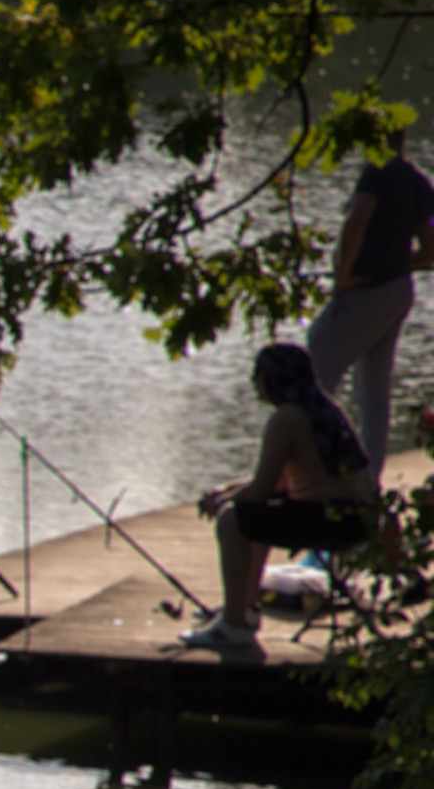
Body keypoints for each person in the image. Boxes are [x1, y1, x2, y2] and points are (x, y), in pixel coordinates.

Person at [182, 342, 379, 651]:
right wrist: (225, 491)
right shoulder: (322, 408)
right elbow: (276, 482)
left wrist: (221, 504)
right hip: (358, 519)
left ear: (273, 379)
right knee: (258, 515)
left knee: (232, 521)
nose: (252, 382)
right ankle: (244, 610)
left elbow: (260, 488)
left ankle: (233, 627)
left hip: (330, 521)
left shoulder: (286, 419)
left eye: (257, 375)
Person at [308, 127, 434, 474]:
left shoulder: (375, 173)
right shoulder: (420, 182)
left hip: (366, 290)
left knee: (314, 370)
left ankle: (307, 467)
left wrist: (343, 275)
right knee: (374, 390)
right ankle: (368, 477)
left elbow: (357, 221)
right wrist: (397, 262)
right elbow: (429, 250)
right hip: (398, 291)